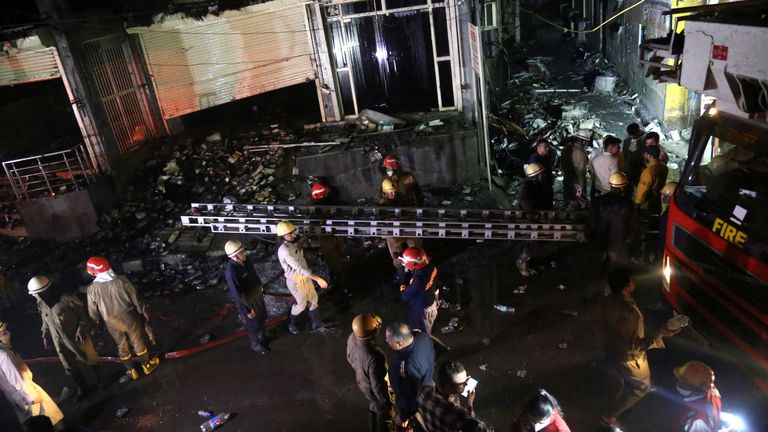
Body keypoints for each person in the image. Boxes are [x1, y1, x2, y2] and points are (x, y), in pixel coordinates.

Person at [601, 267, 678, 429]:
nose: (635, 282)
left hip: (612, 348)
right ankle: (610, 416)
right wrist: (660, 333)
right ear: (626, 288)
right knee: (642, 387)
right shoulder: (629, 313)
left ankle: (619, 392)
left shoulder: (609, 299)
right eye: (632, 280)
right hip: (628, 358)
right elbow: (634, 346)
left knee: (618, 374)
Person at [27, 276, 102, 401]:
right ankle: (83, 388)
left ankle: (101, 382)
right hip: (59, 341)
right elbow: (44, 320)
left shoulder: (66, 298)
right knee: (69, 366)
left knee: (90, 357)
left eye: (35, 293)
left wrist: (82, 327)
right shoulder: (41, 303)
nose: (34, 296)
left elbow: (82, 312)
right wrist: (45, 336)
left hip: (77, 337)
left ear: (43, 291)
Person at [85, 257, 159, 381]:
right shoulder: (121, 280)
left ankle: (131, 371)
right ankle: (147, 365)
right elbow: (135, 296)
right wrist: (143, 311)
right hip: (130, 317)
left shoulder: (92, 289)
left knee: (121, 344)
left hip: (111, 321)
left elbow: (92, 310)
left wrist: (95, 324)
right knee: (137, 340)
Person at [0, 320, 64, 428]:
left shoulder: (4, 352)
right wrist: (32, 396)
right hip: (27, 394)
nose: (7, 333)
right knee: (48, 420)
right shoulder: (4, 355)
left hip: (18, 397)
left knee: (32, 424)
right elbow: (16, 379)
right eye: (3, 332)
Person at [275, 221, 331, 334]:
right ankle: (291, 323)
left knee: (313, 299)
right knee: (301, 304)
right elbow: (299, 268)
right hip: (296, 281)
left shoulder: (290, 244)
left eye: (292, 233)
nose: (293, 235)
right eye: (290, 234)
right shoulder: (285, 250)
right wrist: (317, 279)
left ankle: (317, 323)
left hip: (304, 278)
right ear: (282, 236)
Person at [346, 314, 392, 432]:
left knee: (373, 403)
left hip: (362, 381)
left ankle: (373, 425)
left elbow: (349, 357)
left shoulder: (352, 337)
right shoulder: (374, 355)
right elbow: (378, 385)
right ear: (372, 334)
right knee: (382, 411)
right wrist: (387, 403)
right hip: (371, 387)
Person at [223, 240, 269, 354]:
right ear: (234, 256)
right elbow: (237, 294)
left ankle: (262, 336)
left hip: (256, 294)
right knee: (253, 323)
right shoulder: (232, 272)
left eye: (243, 251)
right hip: (247, 300)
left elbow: (254, 274)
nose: (244, 254)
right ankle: (255, 344)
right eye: (241, 252)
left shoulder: (246, 260)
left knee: (263, 315)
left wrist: (261, 288)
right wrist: (247, 309)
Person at [386, 322, 435, 429]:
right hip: (430, 383)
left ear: (399, 343)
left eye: (388, 340)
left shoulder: (404, 366)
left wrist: (403, 417)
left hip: (420, 402)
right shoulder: (423, 337)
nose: (386, 341)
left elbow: (407, 396)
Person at [587, 172, 634, 269]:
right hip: (619, 240)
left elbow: (592, 221)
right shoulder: (628, 204)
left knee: (599, 263)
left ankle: (599, 277)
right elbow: (631, 223)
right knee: (618, 266)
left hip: (599, 237)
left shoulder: (597, 201)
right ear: (622, 187)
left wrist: (588, 235)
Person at [417, 359, 476, 432]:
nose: (467, 384)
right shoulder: (460, 415)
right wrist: (469, 405)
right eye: (462, 383)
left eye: (466, 378)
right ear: (448, 387)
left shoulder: (424, 390)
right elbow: (472, 426)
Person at [517, 163, 553, 277]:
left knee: (537, 242)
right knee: (532, 243)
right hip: (530, 220)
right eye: (542, 173)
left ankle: (531, 264)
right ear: (536, 175)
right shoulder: (526, 186)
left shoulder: (535, 184)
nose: (544, 175)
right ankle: (521, 263)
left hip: (536, 218)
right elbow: (527, 204)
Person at [380, 178, 423, 267]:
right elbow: (382, 218)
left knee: (415, 238)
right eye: (391, 192)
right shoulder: (383, 203)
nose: (393, 193)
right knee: (392, 241)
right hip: (392, 228)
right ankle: (399, 265)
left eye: (394, 191)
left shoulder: (400, 197)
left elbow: (408, 208)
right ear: (385, 193)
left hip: (404, 223)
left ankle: (417, 259)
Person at [397, 247, 439, 334]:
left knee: (420, 335)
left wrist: (403, 278)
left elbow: (404, 295)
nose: (404, 264)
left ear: (414, 264)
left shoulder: (419, 279)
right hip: (429, 302)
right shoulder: (430, 267)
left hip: (422, 311)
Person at [673, 361, 721, 432]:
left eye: (686, 382)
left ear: (699, 388)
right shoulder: (713, 391)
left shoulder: (696, 422)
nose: (680, 383)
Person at [634, 146, 669, 215]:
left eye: (645, 154)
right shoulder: (664, 168)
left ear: (649, 156)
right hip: (657, 200)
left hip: (647, 203)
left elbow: (643, 190)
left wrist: (637, 204)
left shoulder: (648, 172)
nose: (644, 156)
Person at [561, 130, 590, 209]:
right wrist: (580, 185)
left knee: (569, 200)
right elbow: (581, 171)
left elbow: (562, 165)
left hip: (567, 178)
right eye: (586, 141)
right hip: (577, 181)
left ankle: (568, 217)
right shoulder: (582, 152)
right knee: (582, 202)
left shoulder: (566, 149)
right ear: (583, 141)